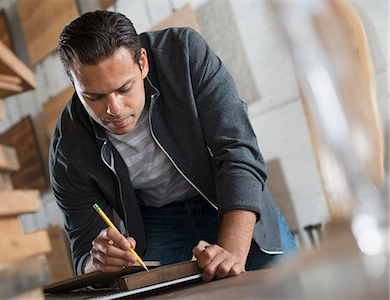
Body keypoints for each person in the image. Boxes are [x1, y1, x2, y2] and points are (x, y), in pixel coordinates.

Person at [50, 10, 297, 283]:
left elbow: (239, 152)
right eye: (94, 97)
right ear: (75, 84)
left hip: (224, 194)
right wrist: (97, 262)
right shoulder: (67, 148)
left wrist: (231, 254)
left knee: (288, 286)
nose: (113, 109)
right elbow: (82, 248)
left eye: (124, 88)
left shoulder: (184, 53)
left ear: (142, 63)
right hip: (157, 220)